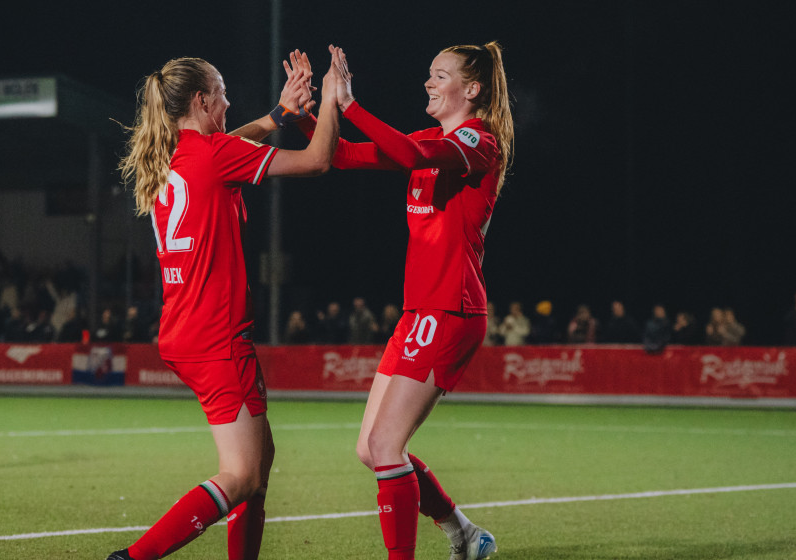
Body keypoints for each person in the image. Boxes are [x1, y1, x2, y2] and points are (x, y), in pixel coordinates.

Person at [104, 49, 341, 560]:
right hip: (215, 336)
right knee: (241, 474)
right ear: (201, 100)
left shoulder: (177, 153)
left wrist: (277, 116)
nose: (230, 102)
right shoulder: (214, 154)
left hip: (187, 329)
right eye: (223, 93)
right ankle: (132, 558)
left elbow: (229, 143)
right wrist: (334, 100)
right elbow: (319, 160)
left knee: (261, 462)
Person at [301, 42, 510, 560]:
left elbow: (413, 155)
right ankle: (464, 533)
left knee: (386, 448)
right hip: (422, 312)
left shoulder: (478, 142)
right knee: (370, 450)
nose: (427, 83)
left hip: (451, 310)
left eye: (439, 75)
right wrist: (308, 110)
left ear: (472, 89)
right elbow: (344, 154)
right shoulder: (429, 140)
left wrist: (350, 106)